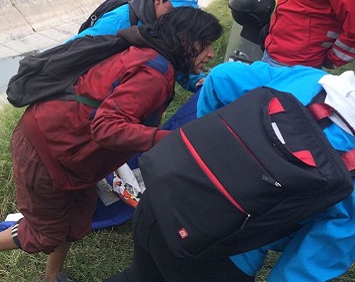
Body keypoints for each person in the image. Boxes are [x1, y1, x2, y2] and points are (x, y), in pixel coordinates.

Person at [0, 7, 223, 282]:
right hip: (48, 149)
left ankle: (53, 278)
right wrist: (172, 141)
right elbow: (107, 126)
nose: (211, 53)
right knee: (47, 233)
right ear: (184, 40)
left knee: (77, 219)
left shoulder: (153, 55)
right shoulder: (152, 73)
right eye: (205, 45)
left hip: (73, 151)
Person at [104, 61, 355, 282]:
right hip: (220, 255)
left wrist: (201, 157)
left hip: (164, 196)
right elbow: (316, 257)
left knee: (137, 276)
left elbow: (221, 77)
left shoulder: (312, 81)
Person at [70, 0, 203, 92]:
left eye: (188, 11)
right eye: (176, 10)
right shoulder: (121, 19)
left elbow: (177, 57)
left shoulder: (175, 23)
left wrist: (197, 81)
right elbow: (73, 49)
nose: (181, 16)